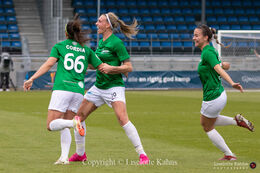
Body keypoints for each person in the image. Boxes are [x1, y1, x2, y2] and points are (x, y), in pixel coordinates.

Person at [23, 14, 110, 164]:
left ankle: (74, 123)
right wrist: (120, 68)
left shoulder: (60, 46)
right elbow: (101, 67)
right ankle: (64, 157)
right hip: (78, 91)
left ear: (66, 33)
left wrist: (32, 78)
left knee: (51, 125)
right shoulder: (86, 50)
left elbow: (49, 64)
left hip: (62, 88)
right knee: (64, 125)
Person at [68, 12, 150, 165]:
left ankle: (143, 155)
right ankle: (80, 154)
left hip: (114, 87)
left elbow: (128, 67)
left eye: (99, 21)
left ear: (107, 25)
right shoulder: (101, 42)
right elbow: (98, 65)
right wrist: (84, 66)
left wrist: (112, 68)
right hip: (99, 87)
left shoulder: (116, 43)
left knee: (122, 119)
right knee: (78, 118)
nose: (96, 24)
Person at [193, 24, 254, 160]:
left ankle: (229, 154)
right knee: (208, 121)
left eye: (197, 35)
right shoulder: (210, 50)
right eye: (194, 35)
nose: (194, 38)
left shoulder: (207, 52)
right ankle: (236, 121)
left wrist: (232, 83)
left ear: (205, 37)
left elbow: (218, 69)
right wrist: (223, 65)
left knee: (207, 126)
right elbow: (219, 66)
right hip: (219, 94)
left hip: (213, 96)